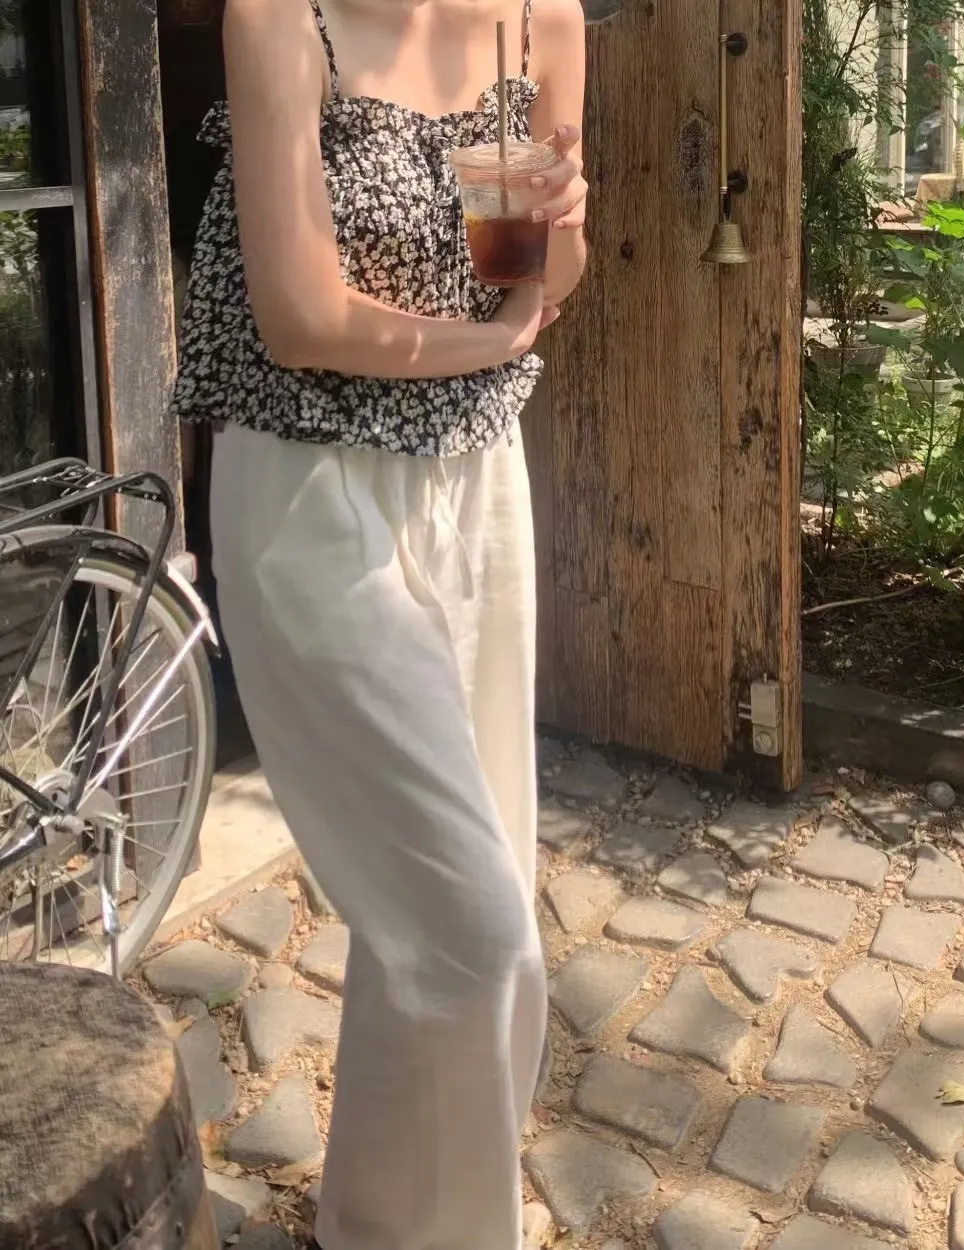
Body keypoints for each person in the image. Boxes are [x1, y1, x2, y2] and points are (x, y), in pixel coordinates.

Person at [170, 0, 586, 1247]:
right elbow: (301, 320)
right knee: (472, 932)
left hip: (477, 479)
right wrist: (496, 340)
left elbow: (545, 281)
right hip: (311, 489)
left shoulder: (541, 20)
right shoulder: (282, 18)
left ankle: (382, 1217)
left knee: (457, 899)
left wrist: (561, 227)